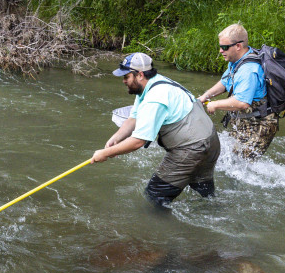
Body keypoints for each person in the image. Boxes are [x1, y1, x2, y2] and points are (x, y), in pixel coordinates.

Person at [93, 53, 221, 207]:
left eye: (126, 77)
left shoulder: (154, 98)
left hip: (191, 148)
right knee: (204, 192)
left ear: (139, 75)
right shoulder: (155, 83)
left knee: (154, 196)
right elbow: (134, 118)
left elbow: (138, 141)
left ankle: (164, 230)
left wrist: (105, 153)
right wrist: (116, 138)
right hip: (211, 141)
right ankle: (217, 211)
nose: (124, 81)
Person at [197, 23, 278, 160]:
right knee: (224, 158)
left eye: (224, 47)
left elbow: (242, 103)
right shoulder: (236, 61)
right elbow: (224, 83)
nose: (221, 51)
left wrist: (215, 104)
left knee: (239, 164)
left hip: (259, 125)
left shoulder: (249, 70)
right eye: (220, 47)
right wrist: (205, 96)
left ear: (238, 46)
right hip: (244, 121)